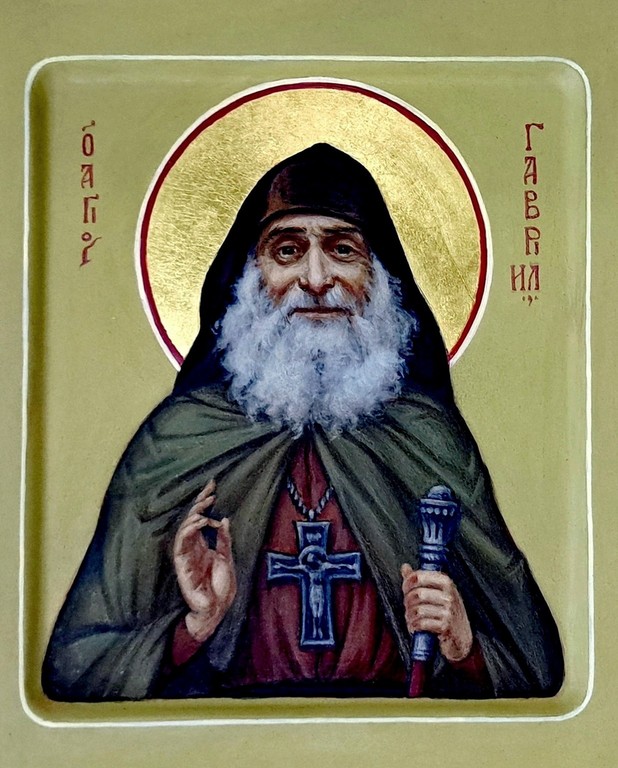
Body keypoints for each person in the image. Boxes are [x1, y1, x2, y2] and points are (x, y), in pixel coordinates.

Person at [42, 143, 564, 701]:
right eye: (287, 251)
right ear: (249, 277)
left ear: (379, 277)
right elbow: (77, 668)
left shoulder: (429, 440)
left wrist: (461, 643)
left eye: (342, 250)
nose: (316, 279)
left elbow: (534, 671)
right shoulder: (177, 440)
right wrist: (193, 627)